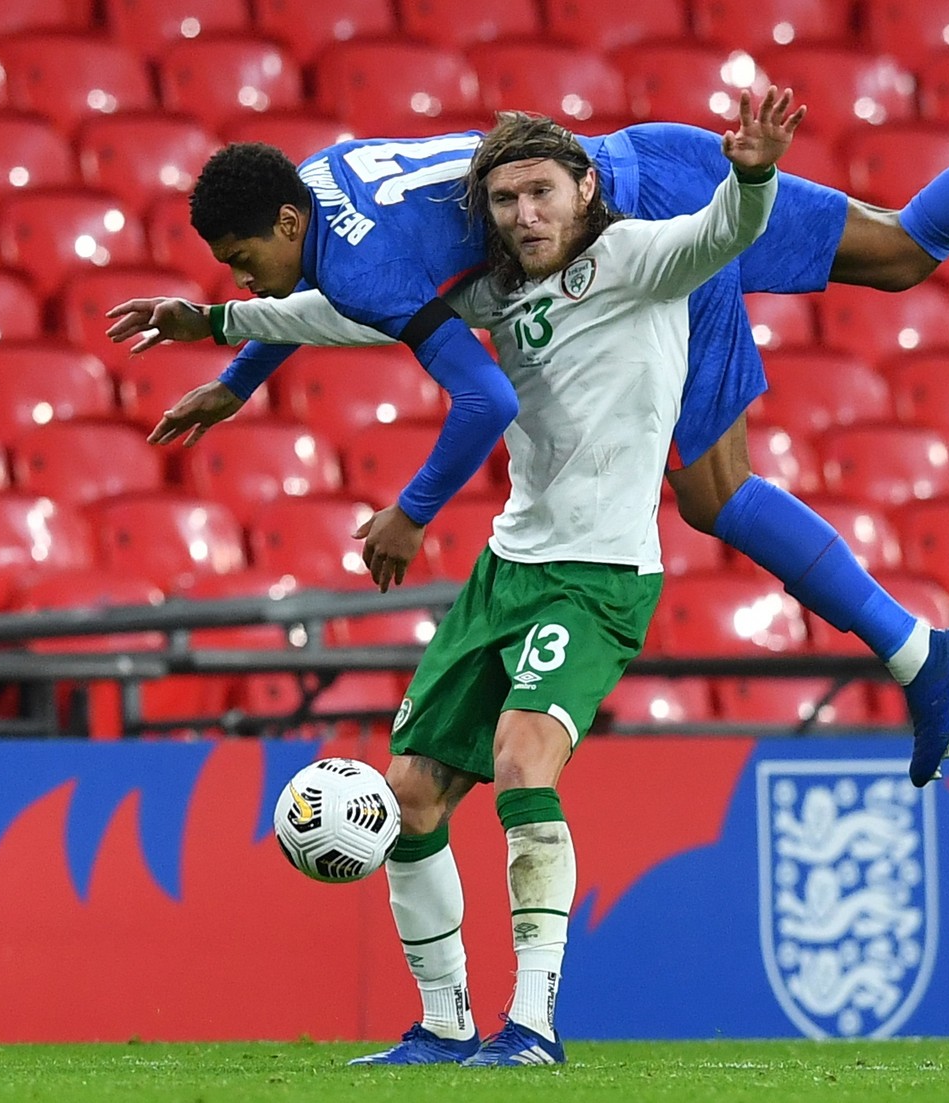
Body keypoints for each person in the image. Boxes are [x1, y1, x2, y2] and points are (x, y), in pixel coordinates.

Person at [106, 76, 949, 786]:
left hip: (618, 229)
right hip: (649, 152)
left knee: (709, 495)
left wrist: (408, 509)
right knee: (899, 252)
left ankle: (913, 649)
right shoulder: (322, 181)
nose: (243, 273)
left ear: (284, 222)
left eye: (240, 255)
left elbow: (464, 382)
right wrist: (236, 364)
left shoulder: (347, 256)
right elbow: (334, 282)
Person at [326, 89, 795, 1067]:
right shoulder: (494, 293)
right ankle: (443, 1024)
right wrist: (221, 318)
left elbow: (723, 231)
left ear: (586, 187)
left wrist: (751, 174)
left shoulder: (637, 260)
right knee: (411, 789)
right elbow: (353, 315)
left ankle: (532, 1024)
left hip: (600, 576)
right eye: (503, 201)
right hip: (507, 568)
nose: (524, 215)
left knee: (520, 758)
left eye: (540, 191)